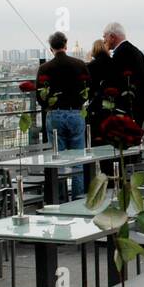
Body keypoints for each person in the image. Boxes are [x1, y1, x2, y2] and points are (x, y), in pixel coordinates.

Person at [36, 31, 91, 198]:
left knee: (57, 160)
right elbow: (88, 89)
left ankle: (59, 198)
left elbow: (40, 95)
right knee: (78, 161)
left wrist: (49, 106)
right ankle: (78, 198)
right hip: (75, 112)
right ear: (66, 45)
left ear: (51, 48)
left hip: (55, 114)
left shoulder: (45, 68)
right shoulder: (80, 64)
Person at [103, 22, 144, 123]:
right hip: (140, 107)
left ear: (112, 37)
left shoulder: (120, 54)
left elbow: (112, 80)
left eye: (105, 37)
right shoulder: (136, 51)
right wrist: (139, 89)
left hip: (126, 109)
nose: (104, 41)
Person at [86, 37, 114, 144]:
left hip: (96, 104)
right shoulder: (113, 63)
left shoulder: (92, 66)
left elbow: (89, 86)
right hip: (111, 103)